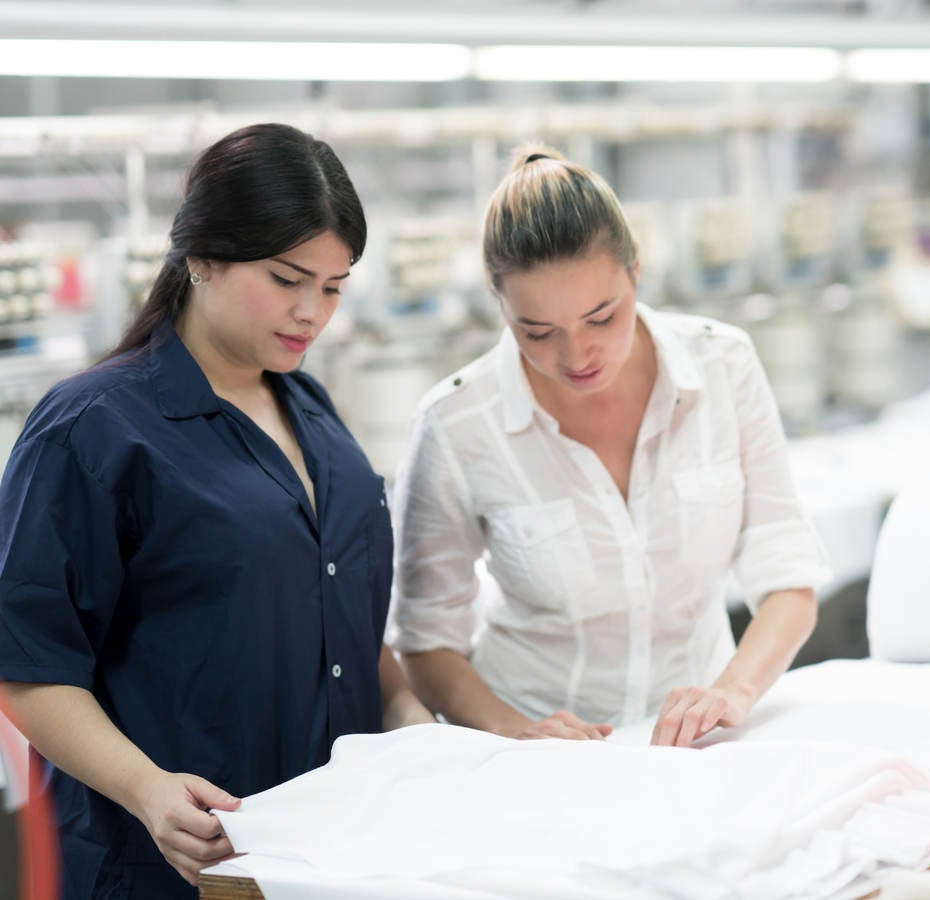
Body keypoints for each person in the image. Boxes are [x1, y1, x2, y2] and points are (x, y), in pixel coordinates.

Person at [0, 123, 432, 898]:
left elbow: (342, 616)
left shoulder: (312, 409)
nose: (313, 313)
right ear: (200, 256)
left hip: (327, 854)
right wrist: (147, 787)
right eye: (287, 278)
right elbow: (29, 664)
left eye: (333, 288)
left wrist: (408, 718)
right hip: (172, 864)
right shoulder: (94, 427)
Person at [391, 145, 831, 748]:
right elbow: (425, 641)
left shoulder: (723, 365)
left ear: (636, 272)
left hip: (698, 744)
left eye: (602, 317)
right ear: (500, 305)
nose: (576, 356)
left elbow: (787, 576)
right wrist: (514, 730)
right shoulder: (457, 423)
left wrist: (732, 691)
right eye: (537, 332)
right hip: (537, 752)